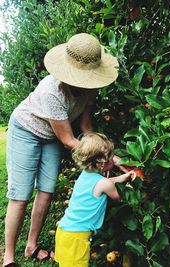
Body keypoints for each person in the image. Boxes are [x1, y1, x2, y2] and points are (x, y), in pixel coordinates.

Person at [3, 33, 120, 267]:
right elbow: (68, 139)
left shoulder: (90, 88)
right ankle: (8, 257)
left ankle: (31, 246)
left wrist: (104, 151)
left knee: (46, 191)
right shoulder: (51, 91)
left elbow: (86, 127)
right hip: (27, 128)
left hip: (51, 136)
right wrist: (106, 156)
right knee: (21, 195)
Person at [55, 132, 136, 267]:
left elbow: (103, 184)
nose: (113, 160)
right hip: (77, 237)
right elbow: (120, 197)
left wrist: (124, 177)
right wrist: (132, 183)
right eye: (111, 157)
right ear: (102, 163)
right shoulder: (104, 184)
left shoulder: (85, 175)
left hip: (65, 231)